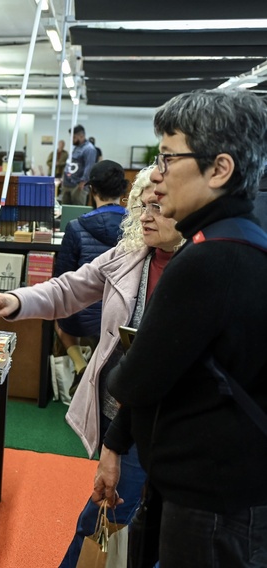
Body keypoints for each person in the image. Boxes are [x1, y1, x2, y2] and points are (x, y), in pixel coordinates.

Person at [0, 166, 182, 568]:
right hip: (116, 411)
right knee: (117, 512)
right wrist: (17, 301)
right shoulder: (131, 254)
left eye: (157, 207)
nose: (145, 216)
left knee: (114, 516)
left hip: (163, 424)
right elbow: (69, 288)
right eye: (142, 207)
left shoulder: (200, 268)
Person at [97, 88, 267, 567]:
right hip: (226, 491)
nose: (156, 174)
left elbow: (133, 380)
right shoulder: (243, 242)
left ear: (220, 169)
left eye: (169, 158)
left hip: (212, 501)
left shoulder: (209, 259)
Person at [55, 160, 128, 392]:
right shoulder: (138, 227)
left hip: (82, 315)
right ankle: (101, 373)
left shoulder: (75, 227)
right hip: (122, 315)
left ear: (92, 190)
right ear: (124, 190)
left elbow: (63, 278)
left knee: (60, 322)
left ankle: (81, 367)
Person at [61, 124, 98, 205]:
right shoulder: (77, 147)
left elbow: (89, 166)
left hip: (78, 185)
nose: (71, 140)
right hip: (68, 184)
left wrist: (83, 182)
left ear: (81, 136)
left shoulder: (89, 149)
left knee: (76, 211)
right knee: (65, 210)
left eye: (74, 137)